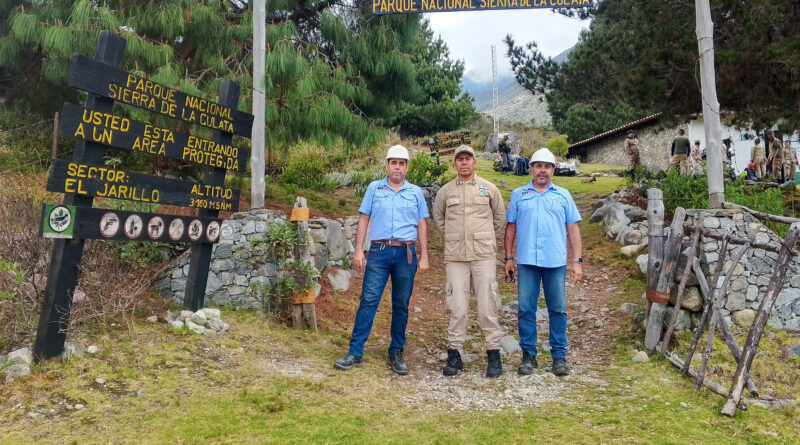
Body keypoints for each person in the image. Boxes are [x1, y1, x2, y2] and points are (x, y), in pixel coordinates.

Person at [334, 145, 429, 375]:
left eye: (402, 163)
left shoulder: (415, 192)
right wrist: (358, 250)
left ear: (407, 167)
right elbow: (364, 219)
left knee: (401, 304)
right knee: (368, 300)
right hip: (379, 251)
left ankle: (396, 352)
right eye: (393, 162)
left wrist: (424, 255)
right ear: (387, 165)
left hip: (406, 254)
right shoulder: (374, 189)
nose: (397, 167)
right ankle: (355, 352)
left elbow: (422, 223)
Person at [504, 148, 583, 377]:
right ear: (532, 169)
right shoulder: (519, 194)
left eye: (547, 167)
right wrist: (508, 258)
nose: (542, 171)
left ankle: (559, 356)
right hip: (527, 261)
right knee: (526, 309)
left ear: (553, 170)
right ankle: (529, 355)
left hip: (555, 261)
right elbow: (511, 228)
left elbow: (573, 229)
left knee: (557, 309)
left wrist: (577, 261)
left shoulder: (563, 195)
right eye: (538, 166)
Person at [433, 145, 506, 378]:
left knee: (487, 305)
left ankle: (494, 354)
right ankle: (455, 354)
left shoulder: (489, 189)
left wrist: (482, 238)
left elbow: (499, 218)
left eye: (468, 159)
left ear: (475, 162)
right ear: (454, 164)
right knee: (457, 305)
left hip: (483, 255)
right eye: (460, 159)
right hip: (456, 257)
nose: (464, 163)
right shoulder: (445, 192)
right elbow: (439, 218)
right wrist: (454, 238)